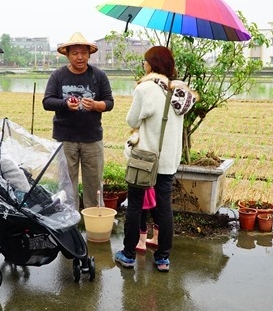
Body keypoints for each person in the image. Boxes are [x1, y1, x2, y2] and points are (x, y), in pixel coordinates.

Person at [115, 46, 198, 272]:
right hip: (168, 160)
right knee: (164, 207)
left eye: (145, 61)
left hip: (145, 158)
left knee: (134, 207)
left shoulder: (146, 89)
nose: (144, 65)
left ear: (151, 65)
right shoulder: (180, 91)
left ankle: (129, 254)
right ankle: (162, 258)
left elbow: (132, 120)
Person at [42, 32, 114, 209]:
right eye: (75, 53)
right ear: (67, 55)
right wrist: (65, 103)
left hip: (92, 139)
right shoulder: (58, 76)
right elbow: (47, 101)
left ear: (89, 54)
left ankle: (95, 223)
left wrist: (96, 105)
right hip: (65, 138)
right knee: (67, 185)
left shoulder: (99, 76)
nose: (79, 57)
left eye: (83, 53)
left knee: (94, 184)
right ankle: (70, 224)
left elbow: (109, 103)